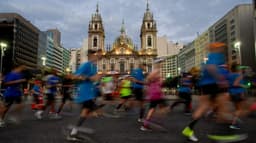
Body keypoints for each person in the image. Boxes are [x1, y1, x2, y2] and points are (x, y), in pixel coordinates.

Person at [182, 42, 230, 142]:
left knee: (203, 108)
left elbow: (205, 69)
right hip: (214, 84)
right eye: (221, 47)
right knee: (222, 106)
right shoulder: (216, 55)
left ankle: (189, 129)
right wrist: (221, 79)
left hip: (206, 85)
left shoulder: (207, 57)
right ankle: (221, 134)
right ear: (216, 48)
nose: (222, 49)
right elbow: (211, 67)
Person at [67, 49, 103, 141]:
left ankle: (74, 131)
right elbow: (74, 76)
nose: (100, 56)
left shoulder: (94, 67)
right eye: (98, 54)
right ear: (91, 55)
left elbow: (94, 80)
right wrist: (90, 78)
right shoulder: (86, 65)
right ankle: (74, 130)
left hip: (90, 94)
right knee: (97, 112)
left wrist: (98, 80)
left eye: (100, 55)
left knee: (86, 113)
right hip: (85, 93)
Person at [140, 58, 167, 131]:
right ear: (157, 63)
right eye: (161, 63)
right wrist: (153, 84)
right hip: (156, 93)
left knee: (152, 109)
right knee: (163, 108)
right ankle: (153, 121)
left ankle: (146, 124)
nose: (162, 64)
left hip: (156, 93)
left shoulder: (157, 71)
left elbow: (150, 81)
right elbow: (148, 80)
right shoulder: (155, 71)